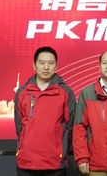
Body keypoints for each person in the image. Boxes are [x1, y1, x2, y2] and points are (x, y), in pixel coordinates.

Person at [14, 46, 76, 176]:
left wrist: (61, 149)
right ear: (34, 65)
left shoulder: (66, 92)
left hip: (55, 163)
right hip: (26, 162)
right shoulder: (22, 92)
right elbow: (20, 127)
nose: (46, 67)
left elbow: (70, 127)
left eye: (51, 63)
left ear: (56, 66)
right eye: (42, 63)